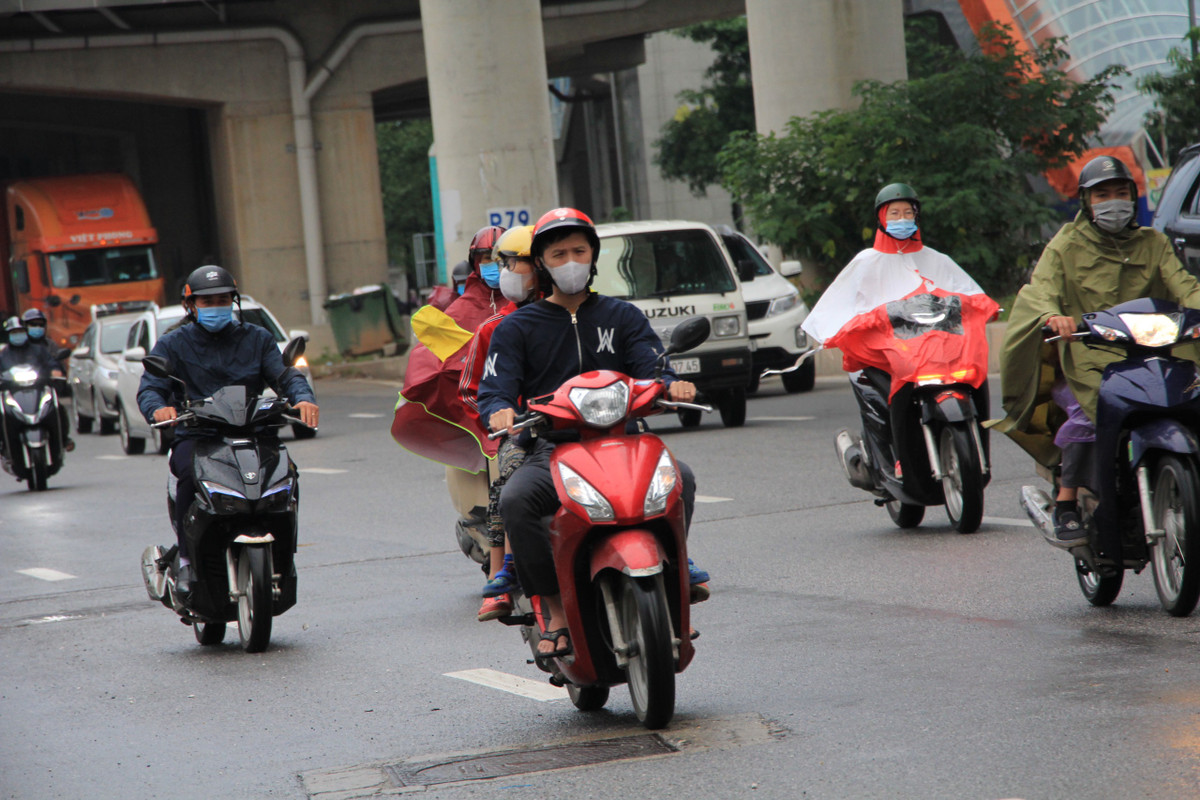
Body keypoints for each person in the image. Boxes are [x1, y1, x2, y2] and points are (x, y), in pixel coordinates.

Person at [477, 208, 710, 659]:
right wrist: (501, 410)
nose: (570, 261)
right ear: (541, 263)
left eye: (579, 251)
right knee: (516, 500)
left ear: (593, 256)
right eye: (558, 254)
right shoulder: (517, 327)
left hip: (624, 441)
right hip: (551, 448)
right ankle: (555, 610)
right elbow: (495, 389)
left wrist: (670, 384)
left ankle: (672, 577)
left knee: (681, 477)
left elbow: (652, 368)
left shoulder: (622, 316)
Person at [993, 154, 1200, 546]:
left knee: (1190, 399)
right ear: (1086, 202)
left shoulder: (1153, 242)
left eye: (1121, 192)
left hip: (1151, 351)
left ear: (1133, 196)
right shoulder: (1066, 245)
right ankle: (1067, 501)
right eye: (1102, 195)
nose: (1113, 202)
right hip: (1088, 356)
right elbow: (1041, 289)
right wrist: (1054, 317)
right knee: (1090, 413)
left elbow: (1184, 286)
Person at [137, 265, 319, 598]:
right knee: (188, 475)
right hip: (198, 436)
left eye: (222, 300)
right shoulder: (173, 344)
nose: (215, 307)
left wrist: (303, 398)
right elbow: (151, 387)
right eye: (207, 302)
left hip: (254, 432)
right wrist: (158, 408)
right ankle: (188, 561)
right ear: (191, 306)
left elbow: (286, 376)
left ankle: (284, 556)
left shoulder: (258, 339)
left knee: (286, 474)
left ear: (233, 302)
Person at [801, 183, 989, 478]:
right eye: (894, 214)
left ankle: (978, 450)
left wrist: (983, 306)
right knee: (900, 384)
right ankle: (901, 459)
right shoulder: (866, 262)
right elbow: (837, 306)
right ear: (881, 218)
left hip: (937, 344)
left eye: (908, 213)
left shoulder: (936, 259)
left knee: (976, 374)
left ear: (917, 216)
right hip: (890, 348)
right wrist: (844, 328)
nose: (902, 219)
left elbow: (970, 295)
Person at [459, 225, 539, 621]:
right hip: (523, 433)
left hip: (587, 425)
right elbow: (474, 389)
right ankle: (499, 571)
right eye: (498, 262)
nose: (504, 271)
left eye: (515, 263)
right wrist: (502, 415)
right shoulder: (495, 327)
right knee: (506, 485)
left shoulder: (593, 315)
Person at [0, 314, 74, 455]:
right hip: (14, 395)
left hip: (38, 391)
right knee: (2, 413)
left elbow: (51, 363)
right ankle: (4, 446)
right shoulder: (4, 355)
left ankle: (63, 439)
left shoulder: (38, 350)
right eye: (14, 332)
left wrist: (55, 371)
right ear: (8, 335)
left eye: (20, 331)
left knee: (56, 407)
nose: (18, 335)